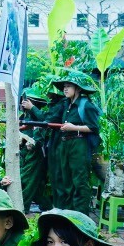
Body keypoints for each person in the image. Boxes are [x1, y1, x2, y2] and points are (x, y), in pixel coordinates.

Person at [45, 72, 101, 216]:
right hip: (65, 144)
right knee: (66, 179)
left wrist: (73, 127)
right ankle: (68, 213)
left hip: (79, 144)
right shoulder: (66, 105)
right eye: (64, 86)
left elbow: (94, 128)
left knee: (79, 180)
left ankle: (81, 214)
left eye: (69, 86)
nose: (65, 89)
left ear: (78, 88)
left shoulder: (86, 105)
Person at [17, 88, 52, 213]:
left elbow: (43, 127)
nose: (23, 103)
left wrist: (32, 107)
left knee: (26, 182)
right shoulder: (23, 116)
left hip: (35, 154)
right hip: (24, 154)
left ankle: (22, 208)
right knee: (35, 188)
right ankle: (47, 205)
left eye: (27, 101)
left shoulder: (38, 115)